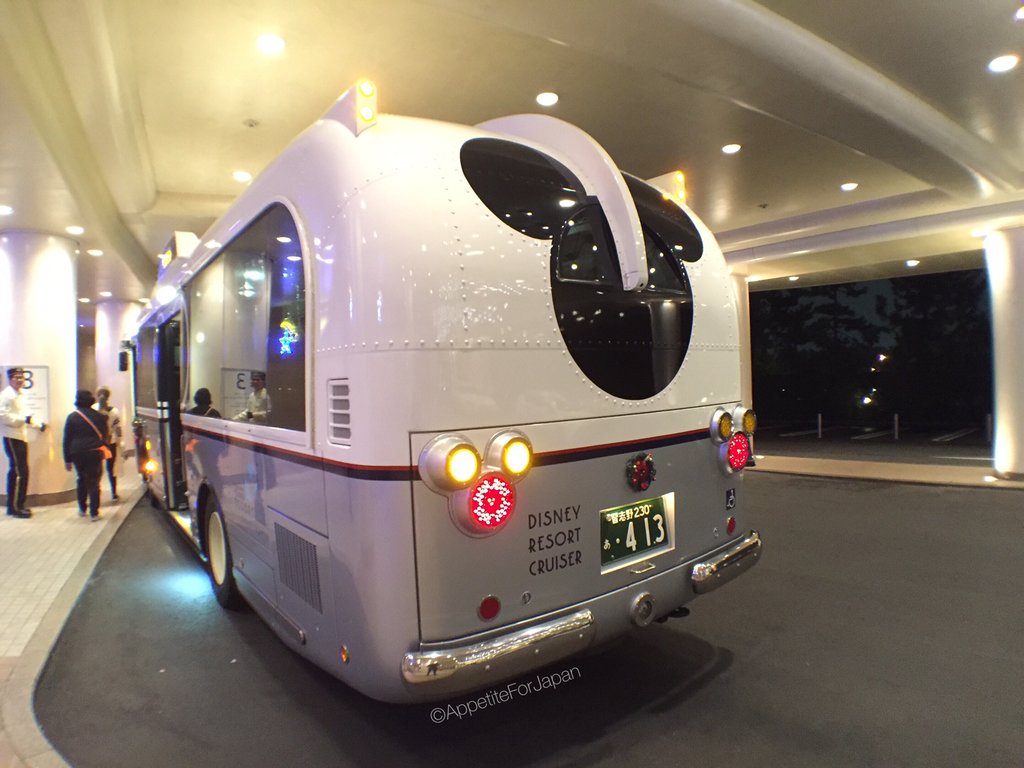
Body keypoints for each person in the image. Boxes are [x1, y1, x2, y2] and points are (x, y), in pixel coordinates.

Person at [0, 367, 47, 518]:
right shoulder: (5, 395)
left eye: (21, 377)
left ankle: (17, 505)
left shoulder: (20, 394)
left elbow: (26, 415)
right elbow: (3, 416)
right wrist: (23, 420)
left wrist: (38, 424)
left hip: (21, 436)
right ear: (10, 379)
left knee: (19, 471)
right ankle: (15, 507)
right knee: (20, 471)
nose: (20, 380)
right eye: (16, 377)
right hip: (11, 436)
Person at [63, 389, 109, 521]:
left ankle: (82, 508)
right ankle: (94, 512)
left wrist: (67, 459)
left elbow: (67, 439)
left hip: (77, 452)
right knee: (94, 481)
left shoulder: (72, 417)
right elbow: (105, 434)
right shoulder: (99, 416)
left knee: (81, 478)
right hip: (94, 451)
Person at [93, 385, 122, 501]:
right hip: (110, 443)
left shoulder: (93, 409)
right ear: (108, 396)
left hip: (96, 443)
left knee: (96, 469)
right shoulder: (114, 411)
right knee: (111, 468)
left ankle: (96, 493)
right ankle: (114, 493)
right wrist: (121, 443)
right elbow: (118, 429)